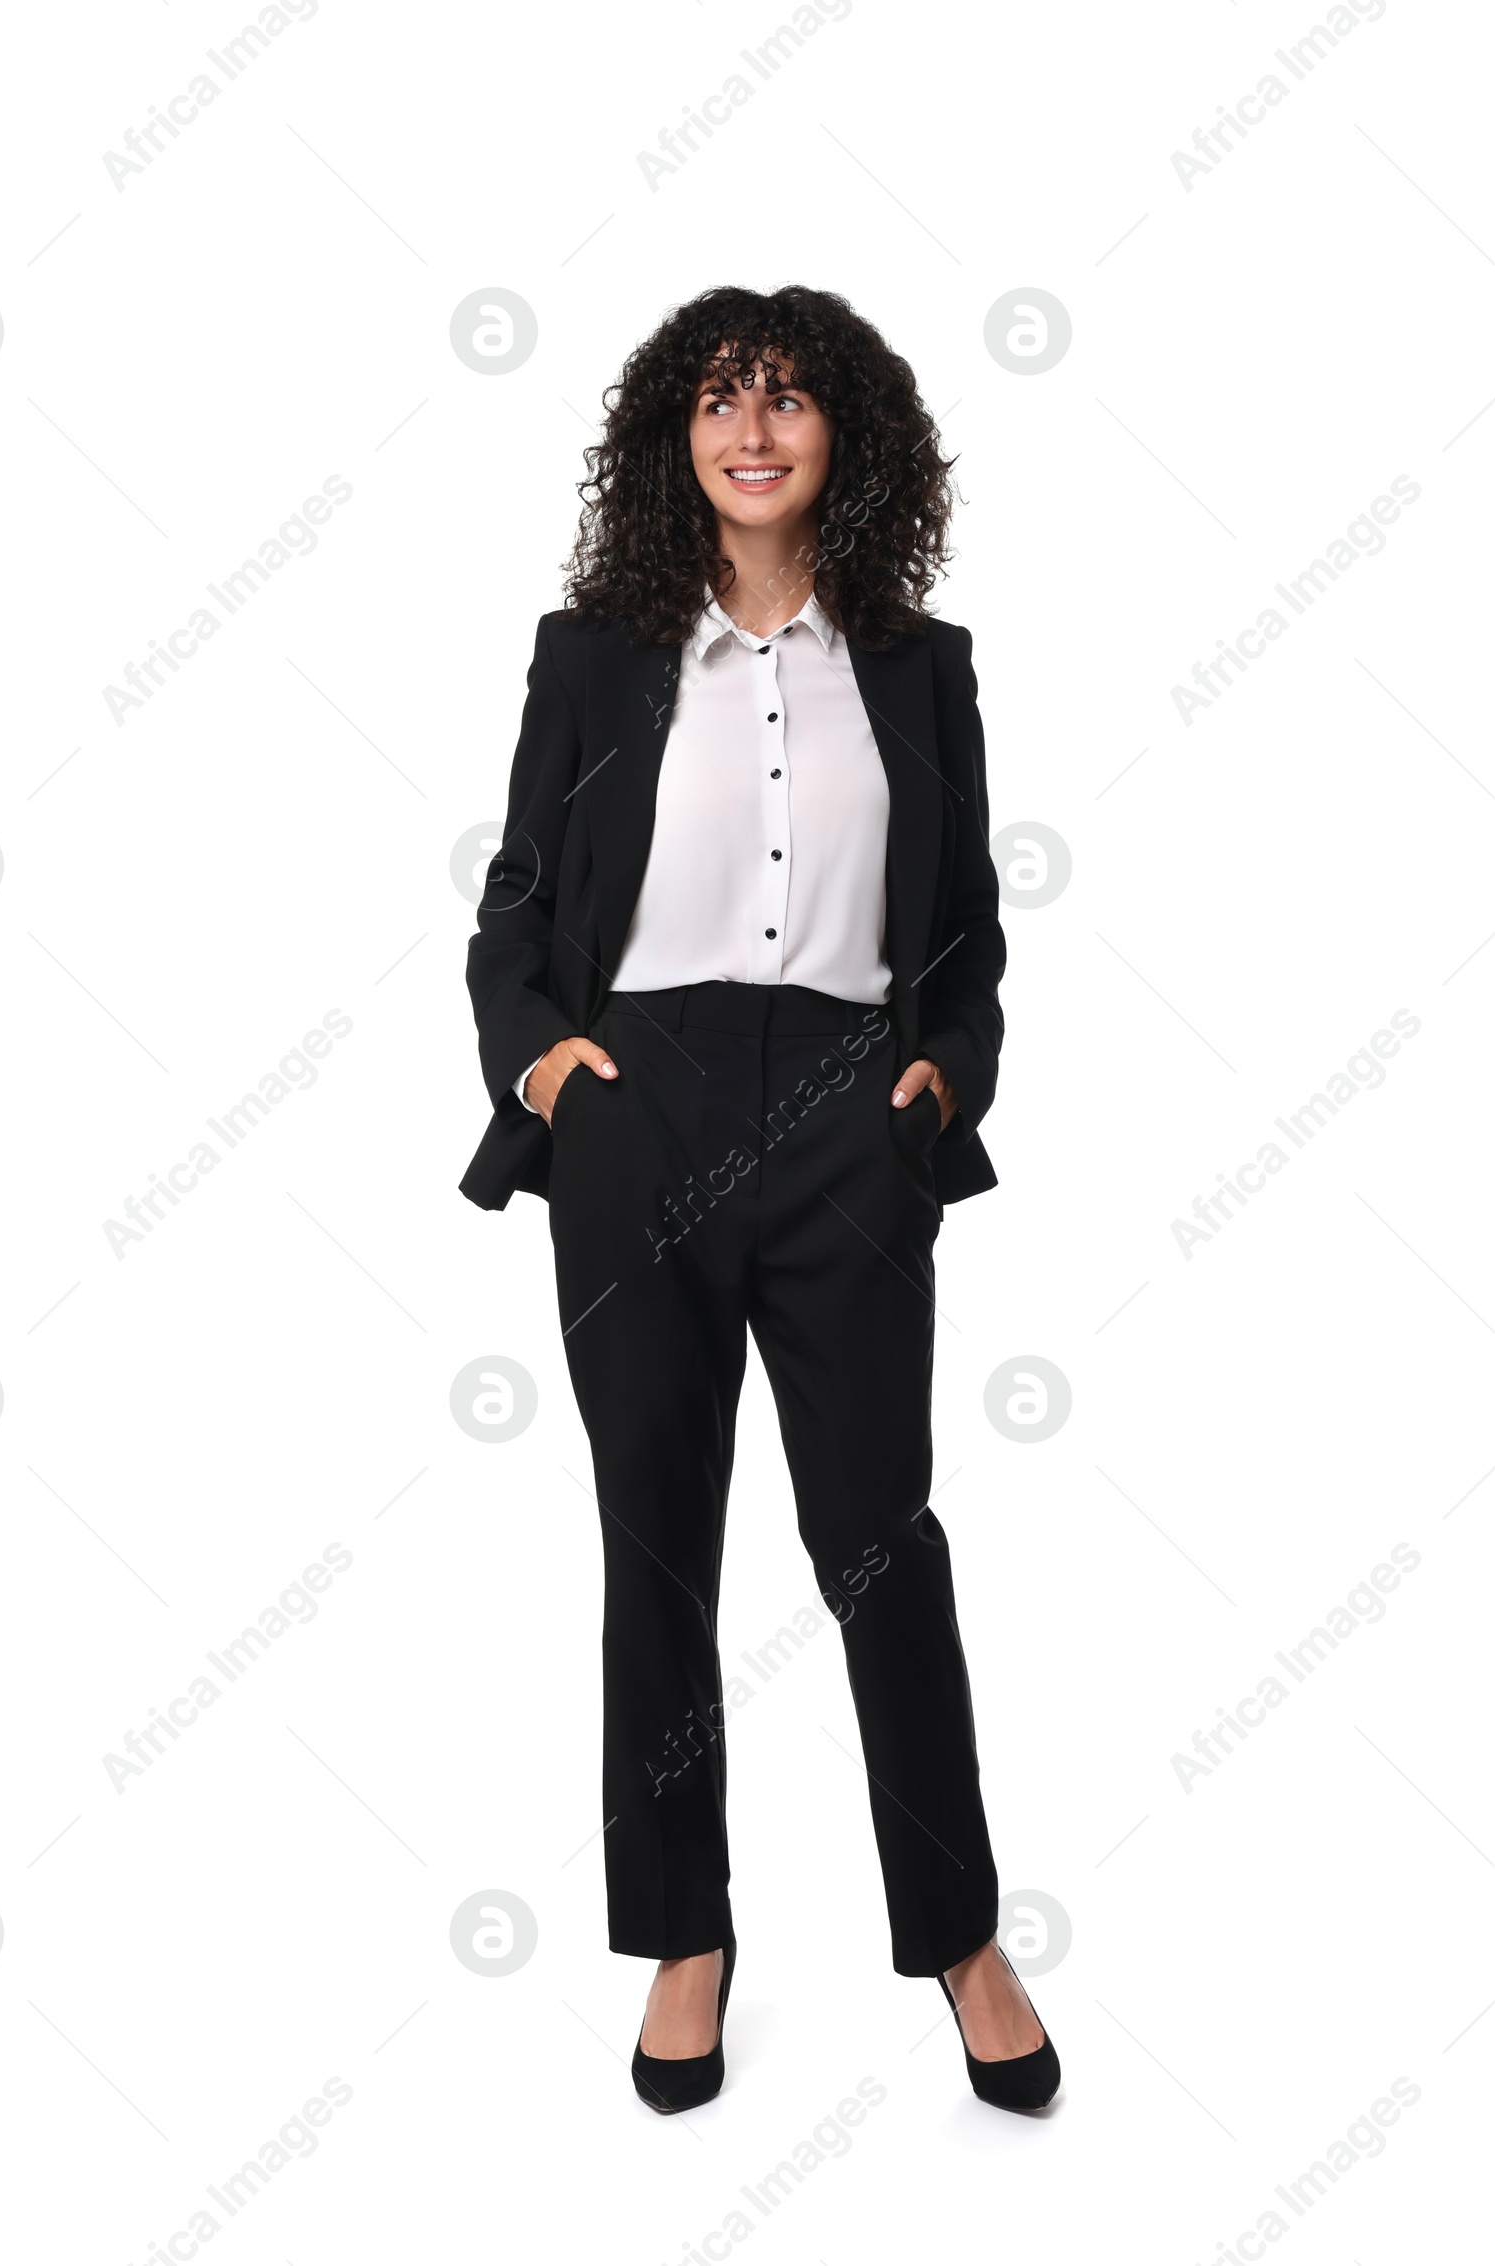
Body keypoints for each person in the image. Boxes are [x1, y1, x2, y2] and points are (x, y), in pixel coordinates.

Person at [461, 284, 1058, 2114]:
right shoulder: (594, 654)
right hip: (639, 1112)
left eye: (790, 400)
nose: (753, 426)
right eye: (721, 398)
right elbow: (512, 912)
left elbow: (962, 936)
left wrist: (937, 1075)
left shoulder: (922, 664)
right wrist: (548, 1062)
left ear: (840, 440)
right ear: (678, 437)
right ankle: (686, 1935)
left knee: (883, 1537)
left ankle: (959, 1931)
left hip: (846, 1119)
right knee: (658, 1537)